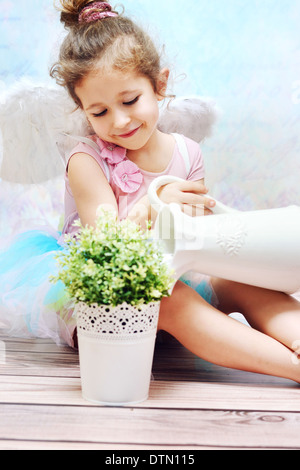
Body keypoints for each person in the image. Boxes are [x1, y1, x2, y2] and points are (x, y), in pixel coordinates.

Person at [1, 0, 300, 383]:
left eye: (129, 101)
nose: (119, 121)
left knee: (238, 280)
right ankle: (289, 367)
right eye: (100, 112)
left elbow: (196, 240)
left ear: (159, 85)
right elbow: (106, 245)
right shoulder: (86, 159)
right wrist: (151, 207)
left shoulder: (186, 152)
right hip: (102, 293)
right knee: (168, 298)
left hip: (169, 273)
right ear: (83, 111)